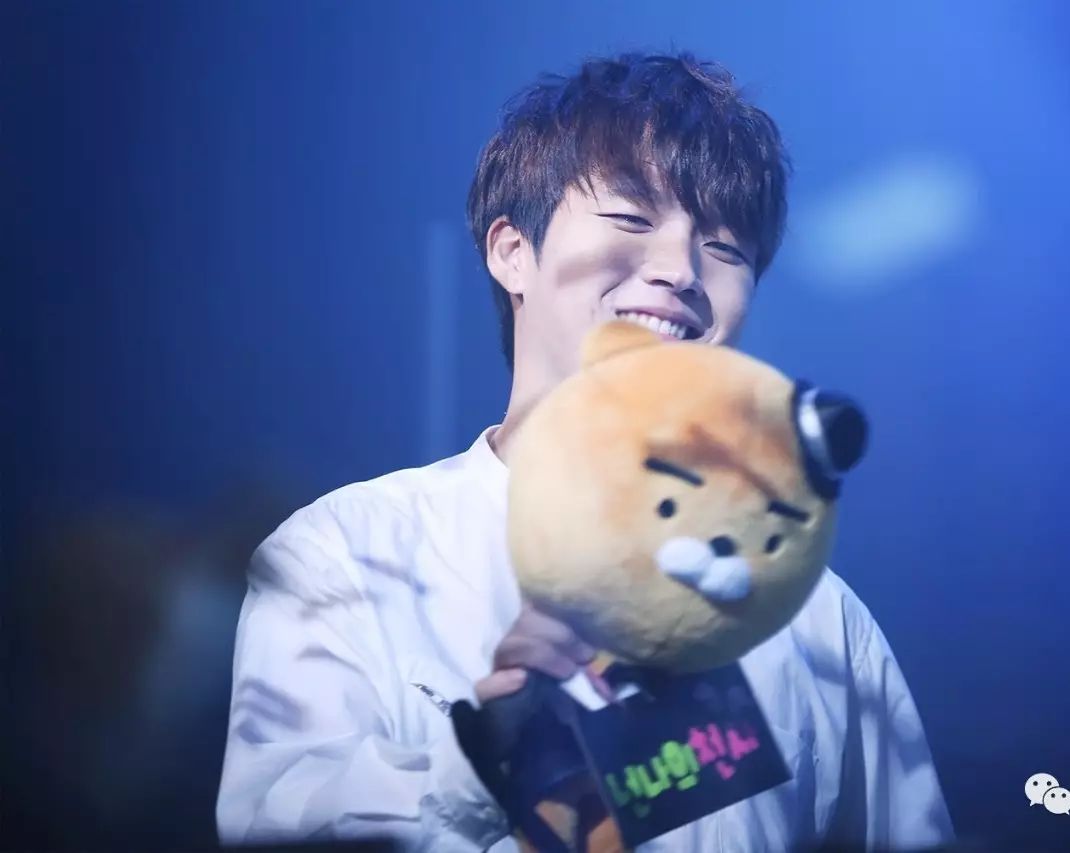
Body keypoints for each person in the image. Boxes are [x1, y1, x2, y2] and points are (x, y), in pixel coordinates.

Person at [216, 52, 954, 851]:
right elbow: (279, 828)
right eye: (632, 219)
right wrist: (491, 760)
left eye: (726, 248)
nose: (679, 270)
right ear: (512, 251)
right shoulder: (349, 555)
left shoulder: (815, 619)